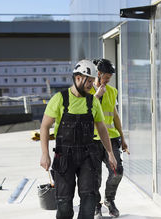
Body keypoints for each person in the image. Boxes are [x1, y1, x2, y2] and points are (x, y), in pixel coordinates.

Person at [40, 59, 117, 219]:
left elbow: (102, 129)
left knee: (89, 198)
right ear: (77, 78)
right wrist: (45, 154)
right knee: (64, 203)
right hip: (64, 157)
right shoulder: (60, 99)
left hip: (88, 156)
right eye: (88, 81)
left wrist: (110, 153)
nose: (91, 84)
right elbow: (45, 127)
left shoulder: (93, 102)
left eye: (91, 80)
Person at [90, 59, 129, 218]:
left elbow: (115, 116)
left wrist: (122, 137)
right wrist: (97, 96)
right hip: (91, 141)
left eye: (109, 78)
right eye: (106, 77)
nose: (107, 81)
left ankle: (109, 200)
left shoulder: (112, 91)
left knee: (117, 171)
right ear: (98, 74)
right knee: (93, 176)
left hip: (110, 139)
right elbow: (85, 115)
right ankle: (95, 205)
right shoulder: (87, 92)